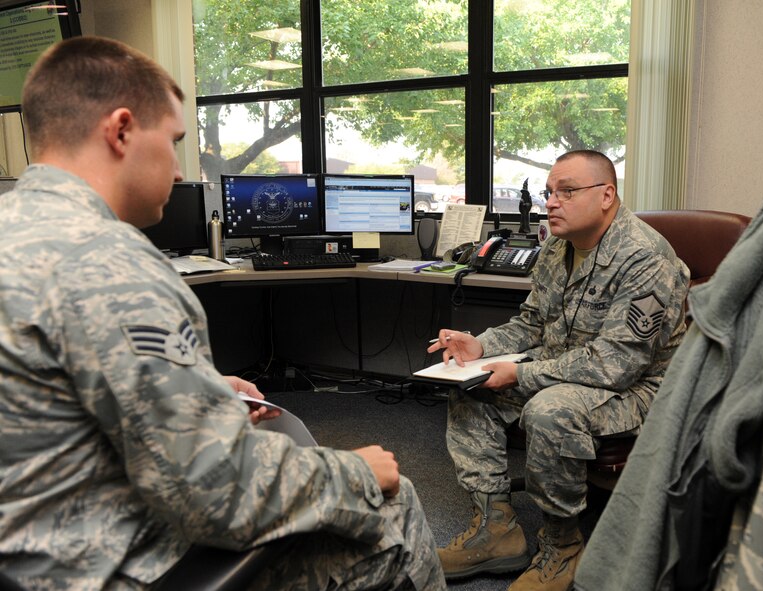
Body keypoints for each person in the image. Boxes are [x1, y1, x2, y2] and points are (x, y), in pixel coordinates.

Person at [0, 37, 444, 590]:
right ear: (121, 130)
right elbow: (216, 492)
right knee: (395, 504)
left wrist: (200, 389)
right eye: (173, 141)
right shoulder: (109, 262)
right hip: (99, 567)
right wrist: (356, 472)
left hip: (24, 546)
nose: (178, 168)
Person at [428, 150, 690, 591]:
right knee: (471, 387)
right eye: (549, 192)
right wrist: (482, 345)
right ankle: (496, 529)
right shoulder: (556, 247)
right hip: (566, 368)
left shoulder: (646, 258)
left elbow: (615, 363)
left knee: (550, 411)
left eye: (567, 191)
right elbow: (533, 323)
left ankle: (563, 547)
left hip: (640, 388)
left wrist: (521, 375)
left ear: (606, 195)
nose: (551, 202)